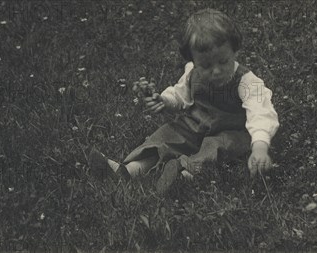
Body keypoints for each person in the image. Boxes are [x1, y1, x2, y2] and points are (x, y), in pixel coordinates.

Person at [87, 8, 280, 194]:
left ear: (235, 52)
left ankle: (183, 174)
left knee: (216, 146)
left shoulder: (247, 82)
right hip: (195, 124)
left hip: (231, 131)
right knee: (167, 135)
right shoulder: (191, 74)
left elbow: (261, 113)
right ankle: (128, 170)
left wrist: (260, 146)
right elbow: (179, 96)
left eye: (223, 62)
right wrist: (164, 100)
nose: (216, 71)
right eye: (206, 65)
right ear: (193, 61)